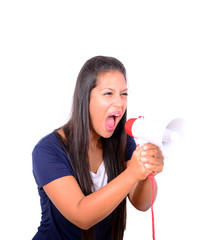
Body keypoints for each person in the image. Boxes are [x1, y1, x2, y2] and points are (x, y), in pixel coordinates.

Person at [32, 56, 164, 240]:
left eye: (124, 94)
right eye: (108, 93)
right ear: (83, 95)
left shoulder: (123, 142)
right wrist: (133, 172)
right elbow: (81, 216)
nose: (119, 103)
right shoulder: (48, 150)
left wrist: (146, 171)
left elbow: (142, 203)